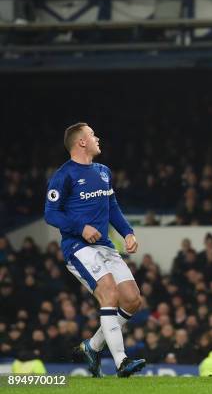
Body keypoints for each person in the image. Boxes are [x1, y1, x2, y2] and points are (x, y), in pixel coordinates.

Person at [44, 122, 145, 377]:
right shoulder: (64, 175)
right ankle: (122, 362)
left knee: (133, 300)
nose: (97, 137)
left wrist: (128, 232)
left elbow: (112, 208)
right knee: (109, 293)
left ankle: (92, 346)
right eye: (91, 135)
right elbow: (50, 214)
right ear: (81, 142)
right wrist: (81, 227)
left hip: (105, 246)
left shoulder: (103, 171)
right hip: (78, 247)